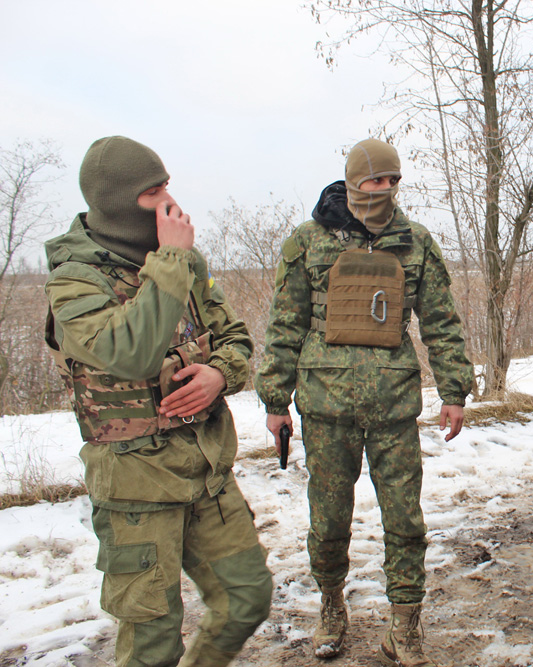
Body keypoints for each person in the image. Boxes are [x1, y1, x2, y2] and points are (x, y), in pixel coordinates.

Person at [43, 136, 272, 666]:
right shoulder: (75, 281)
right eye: (154, 191)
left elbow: (235, 337)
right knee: (152, 643)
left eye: (167, 183)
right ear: (120, 203)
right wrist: (170, 256)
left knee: (246, 600)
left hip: (207, 474)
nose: (170, 199)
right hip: (136, 493)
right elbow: (132, 352)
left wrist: (219, 374)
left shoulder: (186, 262)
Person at [256, 138, 474, 665]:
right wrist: (274, 399)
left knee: (405, 520)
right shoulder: (308, 241)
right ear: (354, 180)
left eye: (393, 180)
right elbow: (285, 324)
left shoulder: (415, 241)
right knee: (328, 520)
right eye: (376, 180)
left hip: (394, 404)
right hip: (325, 404)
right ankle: (331, 606)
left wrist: (453, 390)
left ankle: (405, 626)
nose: (385, 189)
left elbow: (440, 321)